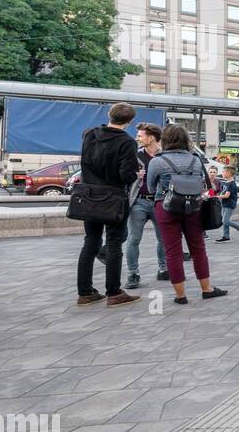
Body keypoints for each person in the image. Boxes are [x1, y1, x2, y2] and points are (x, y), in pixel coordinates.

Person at [147, 124, 227, 304]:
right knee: (198, 249)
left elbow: (151, 187)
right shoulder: (196, 160)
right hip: (193, 207)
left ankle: (180, 295)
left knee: (172, 251)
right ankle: (207, 289)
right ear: (186, 140)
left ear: (165, 140)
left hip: (166, 207)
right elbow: (204, 184)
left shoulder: (157, 161)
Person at [76, 103, 142, 307]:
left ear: (109, 115)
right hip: (113, 198)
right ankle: (114, 292)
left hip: (88, 195)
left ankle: (85, 292)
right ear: (130, 121)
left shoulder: (89, 135)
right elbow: (126, 175)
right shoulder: (127, 142)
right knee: (114, 243)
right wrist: (137, 175)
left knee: (91, 242)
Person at [123, 122, 168, 289]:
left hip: (159, 201)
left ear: (151, 138)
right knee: (134, 239)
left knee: (163, 239)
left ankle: (163, 269)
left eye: (140, 136)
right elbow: (124, 176)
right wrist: (134, 175)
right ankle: (133, 274)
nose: (137, 138)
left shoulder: (165, 156)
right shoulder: (135, 155)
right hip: (139, 202)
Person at [215, 167, 239, 241]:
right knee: (224, 220)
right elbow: (223, 192)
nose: (222, 173)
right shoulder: (227, 183)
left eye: (223, 172)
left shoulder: (231, 184)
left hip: (229, 205)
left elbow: (227, 195)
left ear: (228, 173)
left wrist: (216, 197)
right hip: (225, 204)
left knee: (225, 221)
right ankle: (226, 236)